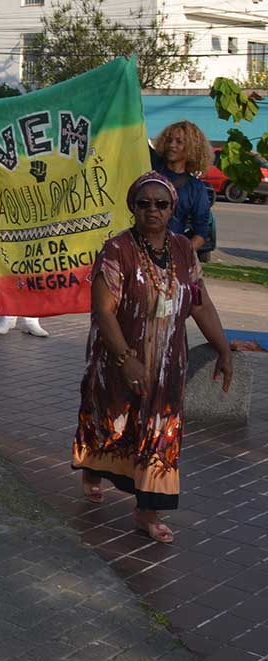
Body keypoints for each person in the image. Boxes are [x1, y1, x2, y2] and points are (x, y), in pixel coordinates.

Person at [73, 171, 233, 544]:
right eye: (143, 204)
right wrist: (126, 359)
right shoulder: (117, 250)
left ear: (172, 208)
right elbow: (103, 311)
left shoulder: (182, 250)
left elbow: (200, 303)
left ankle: (148, 510)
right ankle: (93, 468)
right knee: (110, 421)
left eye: (161, 204)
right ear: (133, 207)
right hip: (117, 362)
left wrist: (223, 348)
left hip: (167, 368)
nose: (152, 210)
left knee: (160, 433)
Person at [151, 121, 212, 252]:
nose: (172, 145)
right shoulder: (149, 169)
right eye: (169, 140)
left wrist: (180, 257)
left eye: (179, 142)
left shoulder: (195, 188)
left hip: (169, 255)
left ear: (191, 148)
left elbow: (201, 232)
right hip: (136, 251)